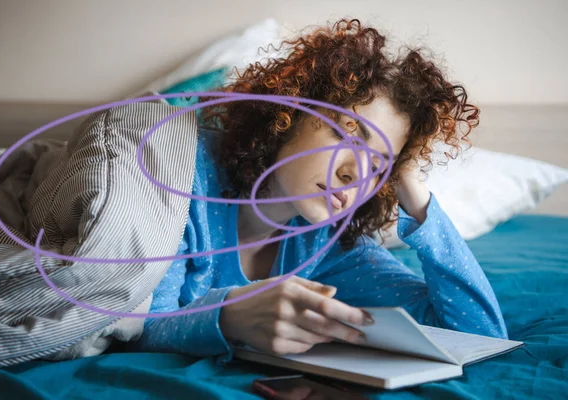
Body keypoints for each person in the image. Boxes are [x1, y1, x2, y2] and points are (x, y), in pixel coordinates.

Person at [133, 18, 508, 364]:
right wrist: (230, 316)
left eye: (378, 167)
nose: (355, 176)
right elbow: (141, 326)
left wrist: (417, 198)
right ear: (290, 113)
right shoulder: (183, 178)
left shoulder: (326, 245)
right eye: (346, 133)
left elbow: (479, 336)